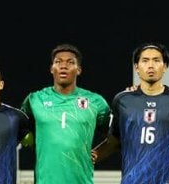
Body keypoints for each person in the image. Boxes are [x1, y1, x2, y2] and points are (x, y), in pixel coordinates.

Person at [92, 43, 169, 183]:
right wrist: (89, 158)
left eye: (156, 60)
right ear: (136, 67)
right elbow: (114, 141)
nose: (151, 65)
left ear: (165, 66)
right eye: (145, 60)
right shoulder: (122, 100)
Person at [21, 43, 111, 184]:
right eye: (58, 62)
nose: (63, 66)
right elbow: (19, 129)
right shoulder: (35, 100)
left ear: (78, 69)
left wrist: (99, 152)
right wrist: (33, 143)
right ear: (52, 69)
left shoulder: (95, 102)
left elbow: (115, 136)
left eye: (70, 62)